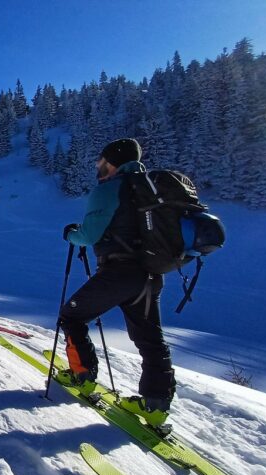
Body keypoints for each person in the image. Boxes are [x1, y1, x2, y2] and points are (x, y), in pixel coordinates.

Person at [59, 138, 176, 427]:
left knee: (72, 315)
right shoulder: (150, 189)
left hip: (119, 273)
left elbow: (88, 235)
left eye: (102, 162)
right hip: (151, 275)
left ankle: (82, 375)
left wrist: (71, 234)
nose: (99, 167)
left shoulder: (110, 189)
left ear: (113, 163)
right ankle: (156, 405)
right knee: (150, 338)